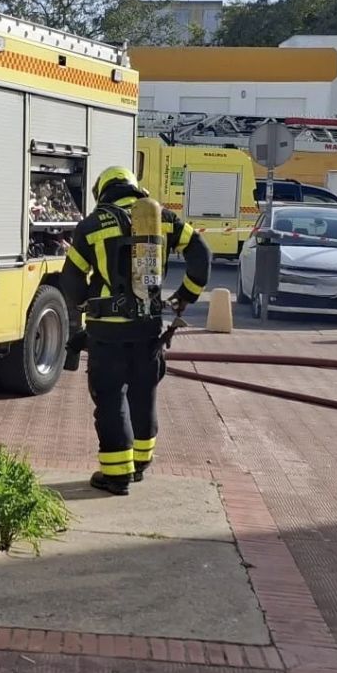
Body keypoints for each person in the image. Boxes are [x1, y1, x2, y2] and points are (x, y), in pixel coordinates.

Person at [60, 166, 211, 496]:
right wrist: (185, 295)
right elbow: (201, 253)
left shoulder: (90, 226)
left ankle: (116, 474)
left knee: (111, 396)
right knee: (144, 391)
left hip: (106, 332)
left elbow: (70, 280)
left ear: (102, 192)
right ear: (133, 187)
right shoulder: (163, 218)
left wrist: (88, 304)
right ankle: (140, 462)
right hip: (149, 326)